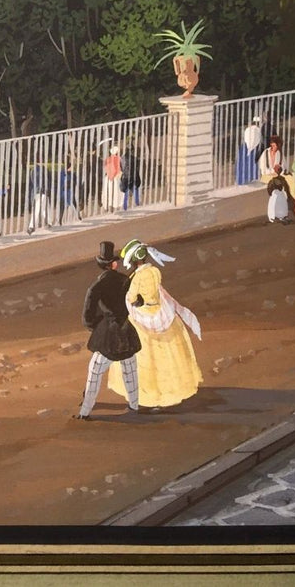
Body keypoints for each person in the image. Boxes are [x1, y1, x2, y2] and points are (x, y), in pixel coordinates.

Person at [108, 239, 202, 409]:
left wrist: (135, 302)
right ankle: (169, 391)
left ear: (135, 261)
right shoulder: (155, 271)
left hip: (144, 315)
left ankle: (149, 396)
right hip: (160, 310)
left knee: (145, 356)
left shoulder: (136, 278)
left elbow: (131, 297)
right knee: (168, 355)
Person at [74, 240, 141, 420]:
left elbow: (87, 316)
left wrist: (97, 327)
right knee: (130, 369)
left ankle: (85, 411)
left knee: (95, 372)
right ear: (114, 264)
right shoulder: (126, 281)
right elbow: (137, 302)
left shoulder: (96, 287)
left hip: (107, 332)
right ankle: (134, 405)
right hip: (125, 329)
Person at [26, 163, 52, 235]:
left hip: (37, 192)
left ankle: (32, 226)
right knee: (43, 208)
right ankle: (49, 222)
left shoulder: (32, 171)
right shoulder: (45, 170)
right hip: (42, 191)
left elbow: (30, 184)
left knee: (38, 208)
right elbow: (49, 181)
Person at [237, 116, 263, 185]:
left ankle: (240, 181)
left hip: (245, 148)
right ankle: (252, 179)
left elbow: (245, 139)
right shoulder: (258, 130)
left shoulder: (247, 129)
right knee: (253, 165)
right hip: (253, 149)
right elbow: (258, 140)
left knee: (242, 164)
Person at [119, 141, 143, 211]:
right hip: (133, 176)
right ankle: (137, 203)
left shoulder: (122, 158)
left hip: (125, 176)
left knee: (126, 191)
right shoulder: (135, 159)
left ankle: (125, 206)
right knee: (135, 189)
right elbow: (137, 167)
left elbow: (121, 168)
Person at [101, 144, 121, 212]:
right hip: (115, 178)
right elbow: (118, 169)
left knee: (107, 192)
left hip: (107, 178)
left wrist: (109, 175)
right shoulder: (118, 159)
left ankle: (107, 206)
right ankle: (115, 206)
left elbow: (105, 168)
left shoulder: (107, 159)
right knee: (115, 192)